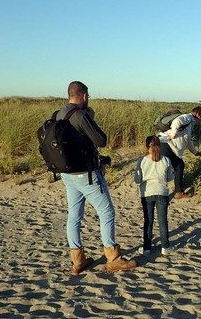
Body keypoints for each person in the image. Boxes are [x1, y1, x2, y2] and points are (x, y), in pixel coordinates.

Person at [57, 81, 137, 275]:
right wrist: (91, 119)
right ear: (84, 96)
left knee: (74, 216)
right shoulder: (81, 115)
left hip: (67, 173)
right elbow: (101, 140)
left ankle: (78, 260)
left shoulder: (59, 114)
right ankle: (113, 258)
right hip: (87, 174)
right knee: (106, 212)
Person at [134, 135, 174, 255]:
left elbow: (137, 180)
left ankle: (147, 248)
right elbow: (169, 177)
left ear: (147, 147)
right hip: (162, 191)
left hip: (147, 193)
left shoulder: (142, 160)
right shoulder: (166, 160)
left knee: (148, 221)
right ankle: (165, 247)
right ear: (159, 146)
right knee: (162, 221)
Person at [157, 106, 201, 199]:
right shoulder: (187, 117)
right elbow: (177, 122)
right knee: (164, 169)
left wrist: (195, 152)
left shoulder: (190, 123)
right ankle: (159, 192)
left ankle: (179, 192)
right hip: (167, 145)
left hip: (172, 148)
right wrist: (173, 134)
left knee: (180, 165)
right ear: (199, 115)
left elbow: (188, 141)